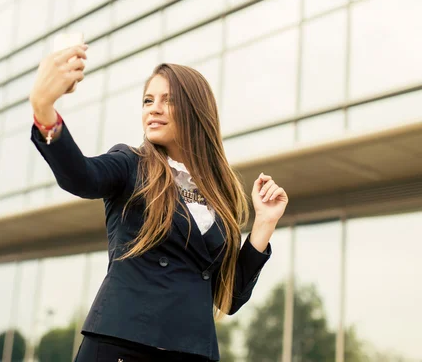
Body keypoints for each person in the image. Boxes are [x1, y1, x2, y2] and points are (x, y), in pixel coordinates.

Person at [29, 43, 289, 362]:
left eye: (168, 101)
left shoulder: (220, 194)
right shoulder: (130, 164)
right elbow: (81, 176)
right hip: (122, 345)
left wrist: (264, 223)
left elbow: (229, 298)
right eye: (148, 101)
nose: (154, 108)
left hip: (192, 350)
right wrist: (44, 111)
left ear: (196, 110)